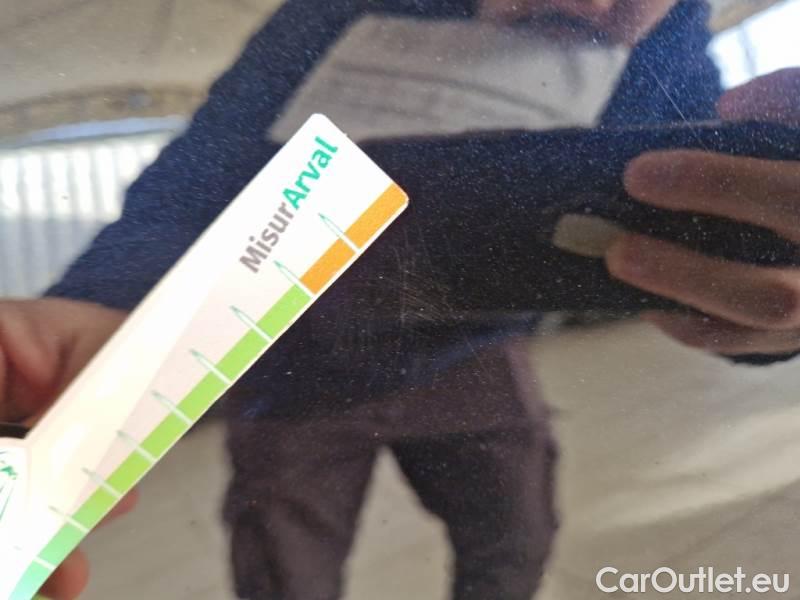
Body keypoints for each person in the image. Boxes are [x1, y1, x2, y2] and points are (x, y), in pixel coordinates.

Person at [1, 2, 799, 600]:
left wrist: (764, 306)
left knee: (514, 540)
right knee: (284, 564)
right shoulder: (328, 9)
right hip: (287, 356)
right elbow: (204, 165)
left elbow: (697, 200)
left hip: (470, 350)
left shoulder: (662, 25)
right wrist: (103, 302)